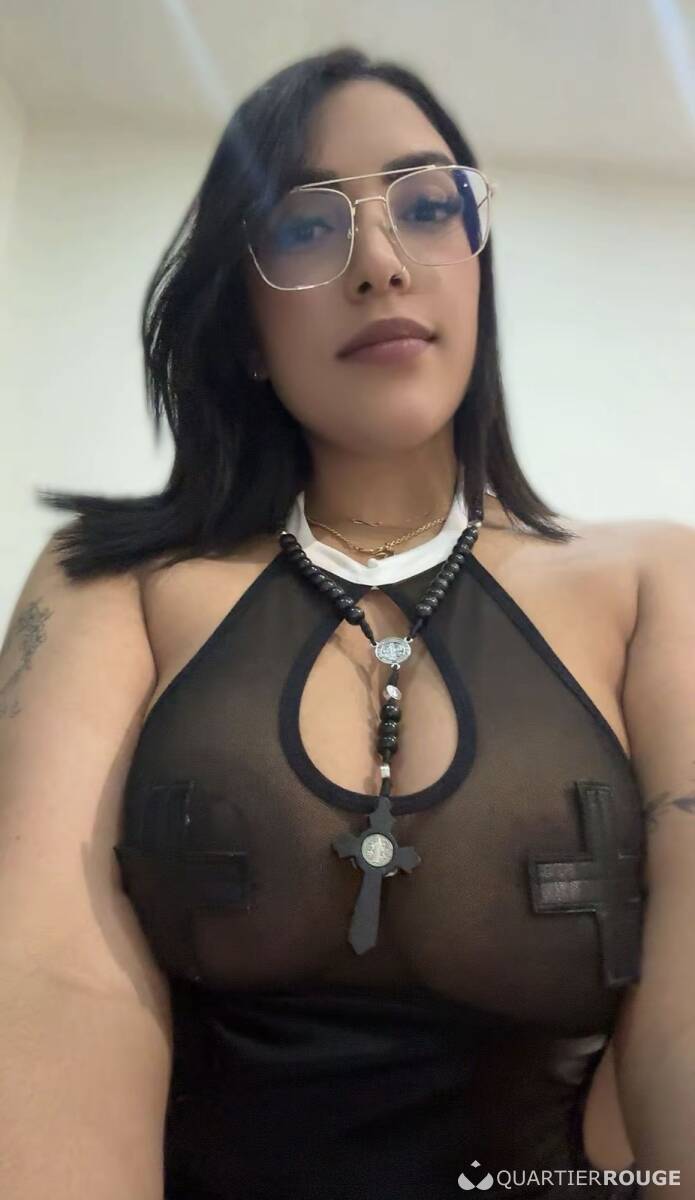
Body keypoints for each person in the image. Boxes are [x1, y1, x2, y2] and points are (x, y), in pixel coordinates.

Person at [4, 44, 695, 1200]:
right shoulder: (109, 582)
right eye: (305, 226)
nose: (379, 262)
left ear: (476, 271)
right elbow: (46, 984)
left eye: (426, 207)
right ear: (242, 326)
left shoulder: (655, 583)